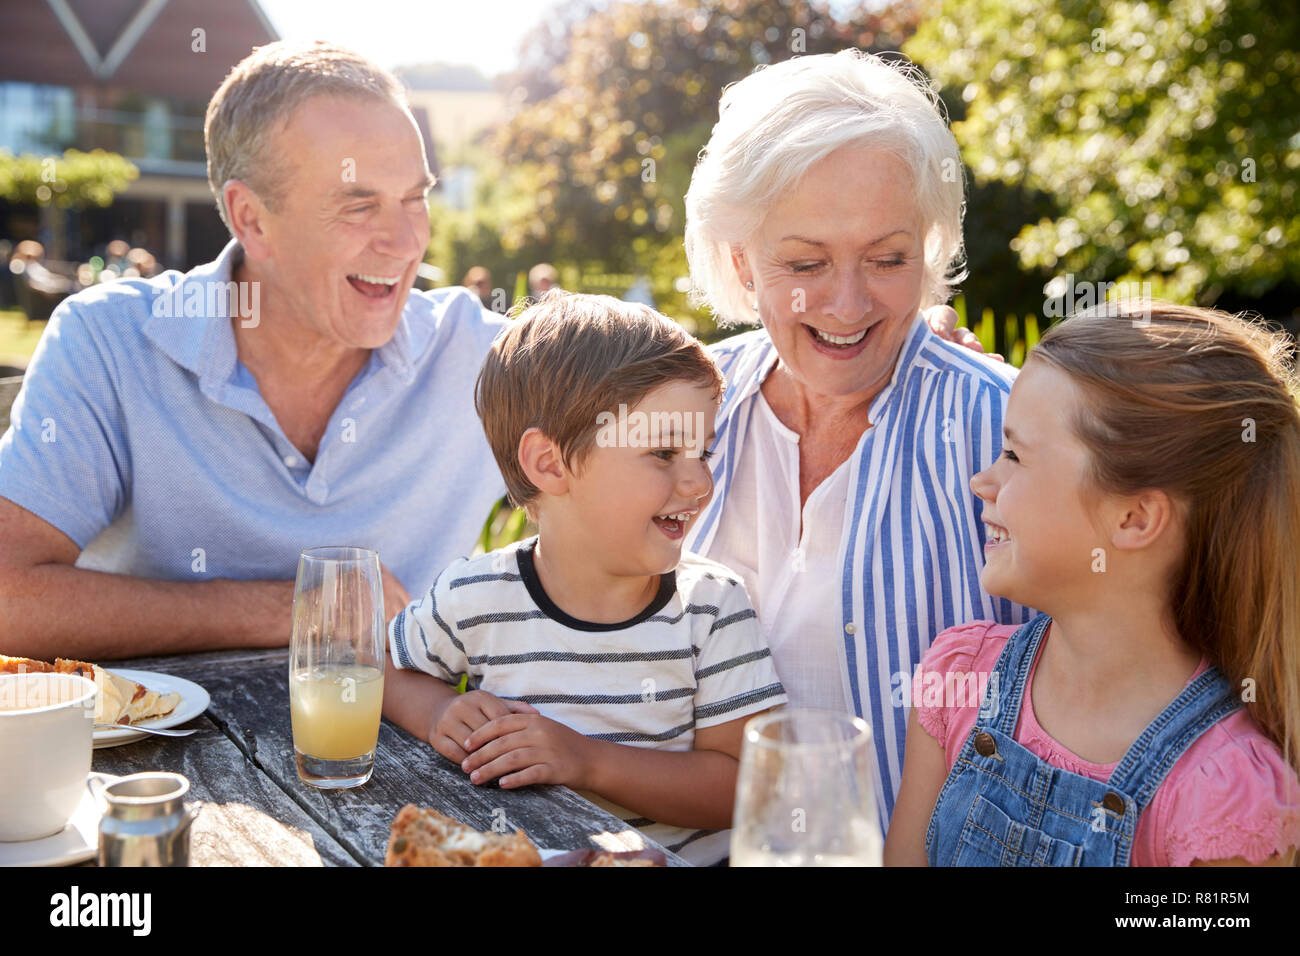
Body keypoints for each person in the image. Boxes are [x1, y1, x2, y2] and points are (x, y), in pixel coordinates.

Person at [0, 41, 507, 660]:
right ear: (252, 219)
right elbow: (9, 596)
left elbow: (647, 444)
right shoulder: (109, 342)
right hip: (162, 753)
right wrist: (296, 607)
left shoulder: (481, 356)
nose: (406, 242)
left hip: (406, 754)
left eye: (415, 198)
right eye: (359, 204)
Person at [681, 49, 1032, 829]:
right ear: (741, 262)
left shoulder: (1007, 430)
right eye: (805, 262)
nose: (846, 305)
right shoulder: (683, 412)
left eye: (888, 258)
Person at [884, 304, 1300, 866]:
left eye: (1014, 454)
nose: (983, 481)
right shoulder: (958, 676)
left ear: (1133, 519)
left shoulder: (1224, 793)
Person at [384, 292, 787, 865]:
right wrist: (436, 714)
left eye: (704, 452)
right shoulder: (474, 598)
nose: (698, 482)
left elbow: (748, 786)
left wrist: (586, 760)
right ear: (550, 464)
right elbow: (384, 669)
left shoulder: (711, 608)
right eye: (665, 453)